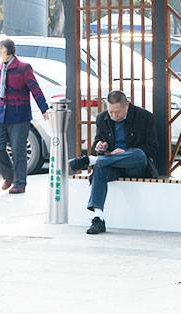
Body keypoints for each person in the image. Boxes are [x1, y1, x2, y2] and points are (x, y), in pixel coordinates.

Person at [68, 90, 159, 234]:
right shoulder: (102, 118)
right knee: (100, 166)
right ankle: (98, 218)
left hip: (135, 165)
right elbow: (97, 143)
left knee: (139, 154)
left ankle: (92, 161)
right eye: (111, 112)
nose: (113, 116)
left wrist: (126, 152)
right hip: (111, 165)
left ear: (127, 105)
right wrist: (100, 147)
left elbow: (152, 148)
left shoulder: (144, 117)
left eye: (117, 112)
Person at [0, 38, 49, 194]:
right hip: (0, 115)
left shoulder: (23, 68)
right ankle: (9, 176)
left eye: (1, 48)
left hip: (19, 116)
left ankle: (20, 183)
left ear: (10, 50)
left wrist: (44, 108)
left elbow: (35, 89)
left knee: (18, 150)